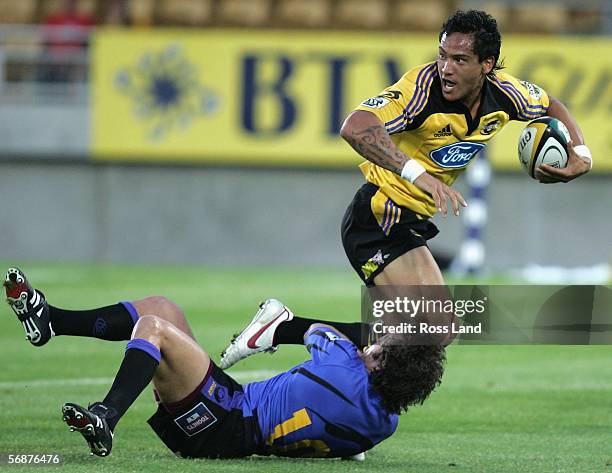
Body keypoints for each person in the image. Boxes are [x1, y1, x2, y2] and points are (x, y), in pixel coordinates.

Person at [4, 267, 445, 459]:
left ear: (381, 366)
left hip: (221, 421)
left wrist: (375, 333)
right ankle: (51, 321)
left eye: (381, 347)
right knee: (161, 305)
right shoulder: (384, 423)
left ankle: (106, 415)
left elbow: (298, 325)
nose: (374, 343)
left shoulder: (341, 365)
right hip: (233, 414)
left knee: (155, 327)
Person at [338, 9, 592, 287]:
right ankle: (286, 326)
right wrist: (417, 174)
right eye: (442, 55)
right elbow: (355, 126)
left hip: (408, 219)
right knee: (435, 326)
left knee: (411, 331)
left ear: (486, 64)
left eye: (459, 60)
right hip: (381, 215)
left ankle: (289, 328)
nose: (446, 68)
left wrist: (580, 154)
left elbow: (548, 104)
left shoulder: (505, 93)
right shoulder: (420, 92)